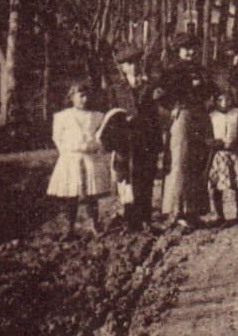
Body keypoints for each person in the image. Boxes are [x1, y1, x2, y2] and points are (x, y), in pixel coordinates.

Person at [158, 35, 214, 229]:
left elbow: (212, 91)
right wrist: (172, 107)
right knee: (180, 161)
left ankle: (194, 211)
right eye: (185, 49)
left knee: (197, 162)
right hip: (183, 117)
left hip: (200, 117)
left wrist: (209, 100)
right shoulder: (172, 72)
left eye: (192, 48)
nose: (189, 52)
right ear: (178, 51)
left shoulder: (202, 70)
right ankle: (177, 210)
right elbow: (161, 95)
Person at [105, 44, 162, 231]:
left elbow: (156, 114)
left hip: (147, 138)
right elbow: (111, 116)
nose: (133, 66)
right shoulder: (116, 89)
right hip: (126, 139)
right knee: (127, 178)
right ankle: (131, 218)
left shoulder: (151, 86)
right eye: (128, 63)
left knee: (146, 177)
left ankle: (146, 217)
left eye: (136, 62)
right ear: (122, 67)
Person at [47, 80, 113, 237]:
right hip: (71, 159)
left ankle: (94, 224)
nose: (85, 99)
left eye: (87, 96)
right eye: (81, 96)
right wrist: (67, 153)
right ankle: (69, 227)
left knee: (91, 194)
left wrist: (95, 147)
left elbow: (101, 136)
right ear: (72, 97)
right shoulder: (62, 116)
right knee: (71, 194)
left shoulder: (97, 116)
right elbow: (57, 137)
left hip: (90, 158)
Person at [207, 81, 238, 225]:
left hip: (234, 153)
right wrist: (216, 143)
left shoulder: (237, 114)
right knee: (216, 185)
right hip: (218, 154)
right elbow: (206, 136)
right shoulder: (211, 115)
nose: (224, 102)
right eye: (220, 99)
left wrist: (237, 143)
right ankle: (219, 214)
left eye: (227, 99)